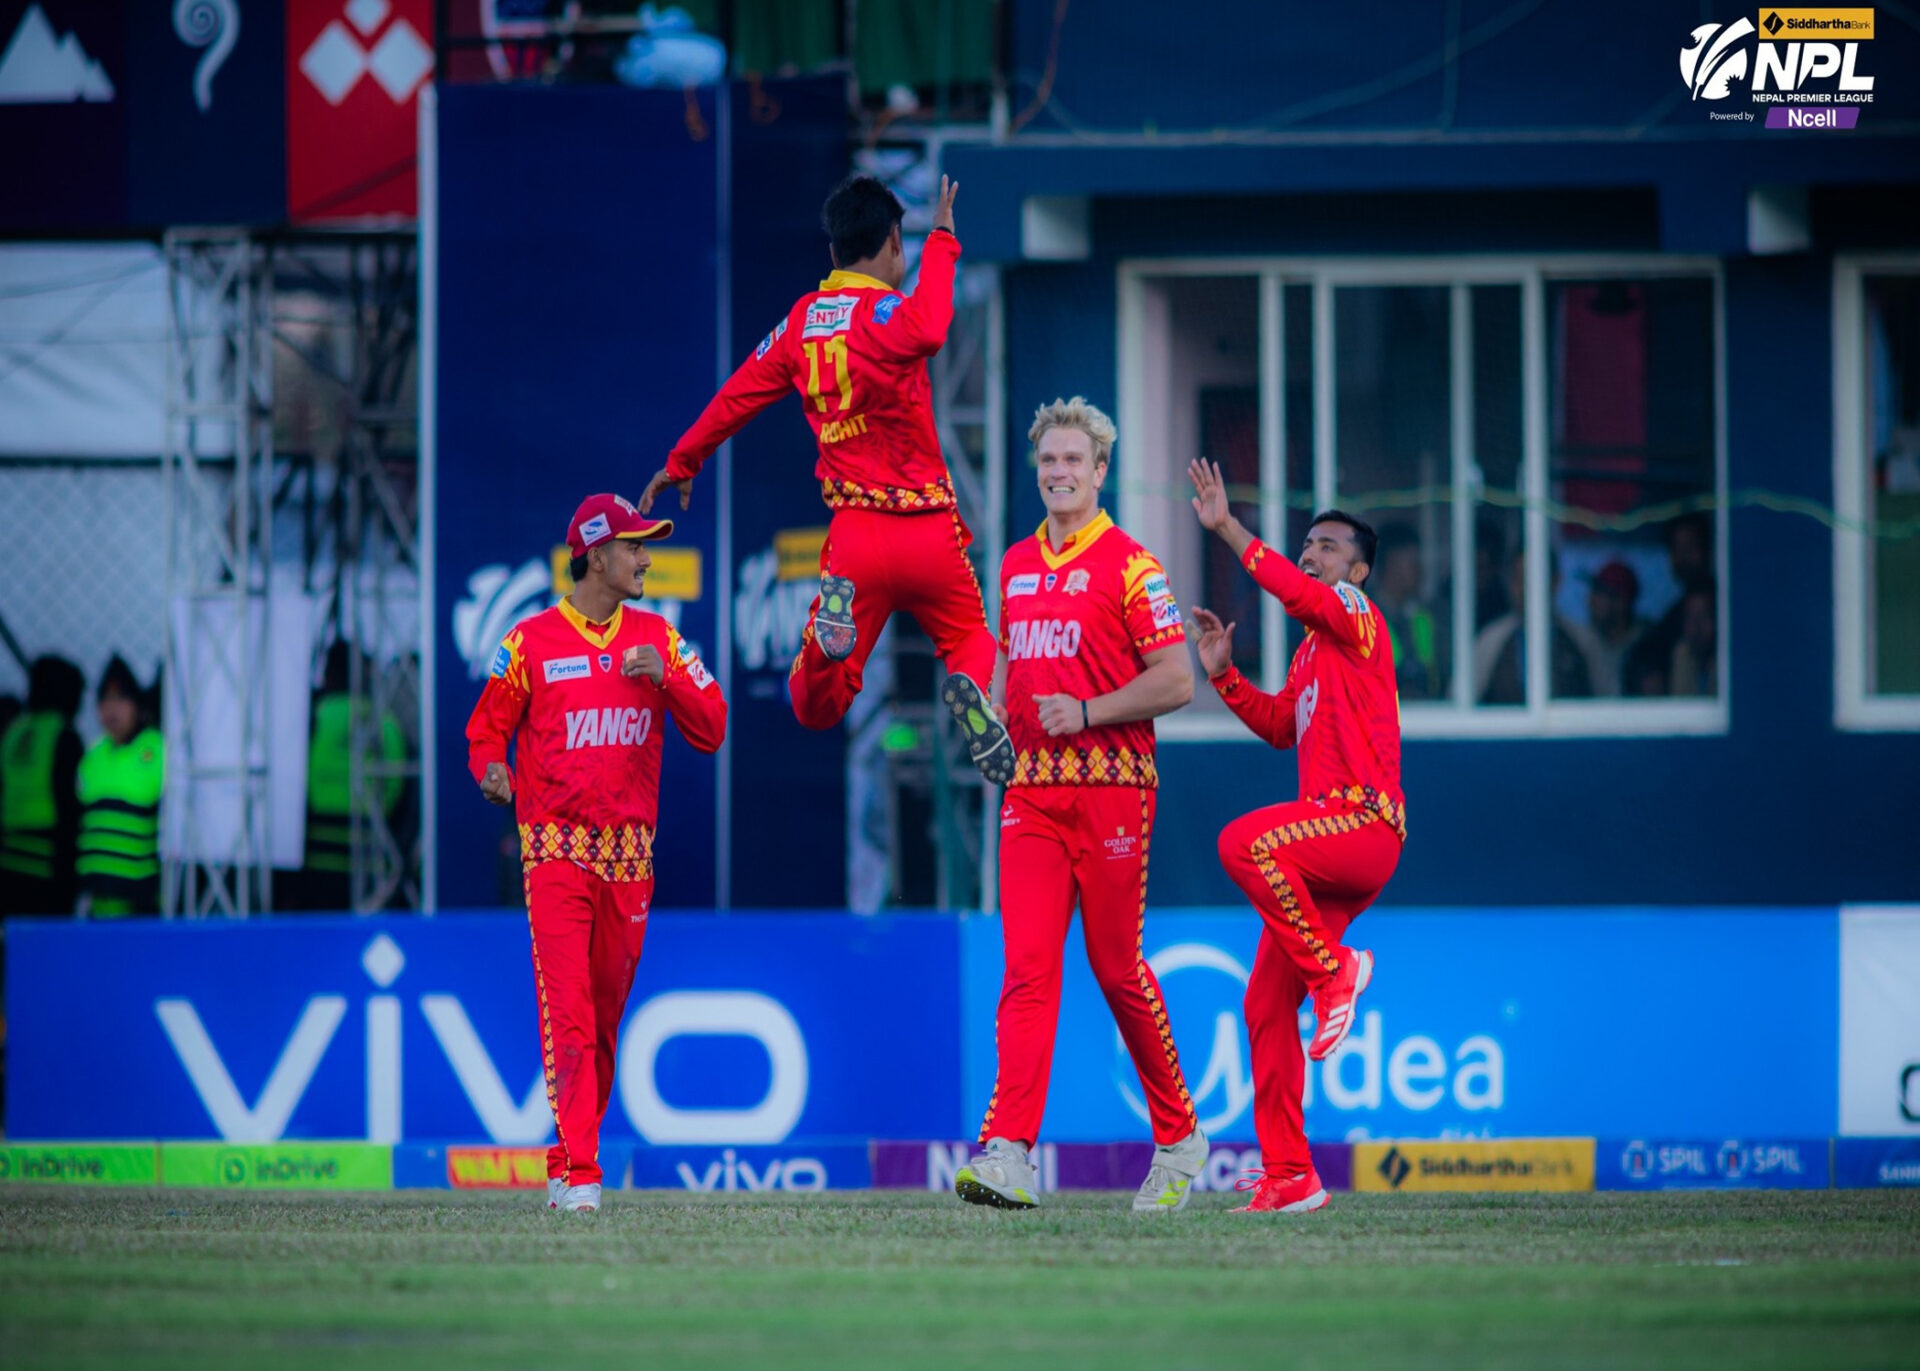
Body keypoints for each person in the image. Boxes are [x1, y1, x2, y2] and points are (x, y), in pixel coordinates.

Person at [639, 174, 1010, 783]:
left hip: (857, 538)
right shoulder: (891, 312)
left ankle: (823, 646)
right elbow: (931, 328)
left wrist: (684, 461)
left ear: (834, 251)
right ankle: (969, 689)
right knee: (971, 636)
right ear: (896, 242)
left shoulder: (802, 322)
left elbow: (738, 395)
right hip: (929, 533)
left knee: (815, 707)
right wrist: (943, 240)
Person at [955, 398, 1206, 1213]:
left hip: (1112, 788)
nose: (1058, 473)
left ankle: (1180, 1137)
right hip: (1031, 791)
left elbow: (1178, 679)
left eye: (1073, 460)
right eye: (1048, 460)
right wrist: (993, 717)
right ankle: (1009, 1152)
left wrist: (1089, 710)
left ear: (1101, 471)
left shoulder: (1132, 565)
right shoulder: (1015, 563)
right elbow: (1010, 667)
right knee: (1027, 970)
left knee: (1116, 968)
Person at [466, 493, 728, 1214]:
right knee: (569, 1015)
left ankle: (564, 1159)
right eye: (635, 547)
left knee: (604, 1020)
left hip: (630, 862)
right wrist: (492, 769)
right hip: (554, 853)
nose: (646, 559)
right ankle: (583, 1175)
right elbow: (485, 732)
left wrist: (666, 677)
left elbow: (714, 726)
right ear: (596, 555)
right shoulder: (529, 642)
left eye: (646, 547)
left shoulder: (658, 638)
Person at [1187, 460, 1405, 1214]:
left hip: (1362, 823)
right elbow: (1284, 726)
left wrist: (1228, 528)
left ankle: (1335, 971)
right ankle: (1291, 1175)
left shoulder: (1353, 612)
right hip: (1326, 851)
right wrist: (1225, 677)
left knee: (1244, 843)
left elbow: (1297, 592)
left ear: (1359, 571)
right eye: (1307, 543)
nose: (1311, 553)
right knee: (1262, 1005)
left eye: (1328, 546)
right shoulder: (1313, 650)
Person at [298, 642, 407, 913]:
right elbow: (402, 787)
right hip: (372, 856)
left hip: (317, 859)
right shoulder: (388, 723)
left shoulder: (315, 715)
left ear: (329, 675)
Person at [75, 656, 164, 917]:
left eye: (121, 698)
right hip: (95, 895)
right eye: (105, 699)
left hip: (139, 898)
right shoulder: (93, 756)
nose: (111, 709)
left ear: (136, 704)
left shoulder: (156, 748)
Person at [0, 656, 85, 916]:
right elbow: (68, 802)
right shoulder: (63, 735)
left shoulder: (13, 734)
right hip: (47, 860)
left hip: (10, 857)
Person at [1471, 548, 1592, 703]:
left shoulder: (1582, 640)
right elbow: (1459, 700)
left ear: (1555, 581)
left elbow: (1610, 701)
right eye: (1518, 579)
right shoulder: (1491, 640)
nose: (1524, 588)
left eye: (1534, 578)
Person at [1625, 513, 1714, 698]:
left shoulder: (1729, 605)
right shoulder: (1674, 616)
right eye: (1676, 549)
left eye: (1690, 547)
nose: (1683, 558)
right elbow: (1647, 653)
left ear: (1708, 549)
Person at [1371, 523, 1443, 700]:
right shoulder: (1360, 616)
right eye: (1412, 563)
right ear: (1391, 563)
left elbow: (1436, 680)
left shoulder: (1423, 618)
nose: (1420, 571)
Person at [1566, 560, 1646, 698]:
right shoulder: (1587, 639)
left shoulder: (1646, 645)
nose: (1591, 600)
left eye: (1600, 593)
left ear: (1621, 602)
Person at [1668, 579, 1717, 697]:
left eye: (1704, 616)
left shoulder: (1727, 657)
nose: (1696, 627)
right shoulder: (1681, 654)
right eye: (1690, 617)